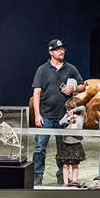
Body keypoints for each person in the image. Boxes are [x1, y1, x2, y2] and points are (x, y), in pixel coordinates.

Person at [31, 39, 84, 186]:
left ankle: (62, 176)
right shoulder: (42, 70)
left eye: (63, 49)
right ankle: (37, 175)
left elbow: (82, 86)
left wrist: (73, 88)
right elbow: (36, 93)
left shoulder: (70, 68)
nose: (62, 51)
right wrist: (37, 114)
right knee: (40, 148)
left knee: (63, 148)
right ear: (51, 52)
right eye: (58, 49)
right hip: (46, 116)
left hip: (65, 117)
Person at [57, 97, 86, 186]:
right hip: (66, 143)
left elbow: (83, 108)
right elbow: (60, 122)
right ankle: (65, 183)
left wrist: (73, 111)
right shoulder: (67, 116)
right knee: (65, 165)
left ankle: (74, 182)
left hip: (75, 144)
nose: (67, 111)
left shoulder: (81, 116)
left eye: (69, 109)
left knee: (74, 165)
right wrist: (68, 118)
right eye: (67, 109)